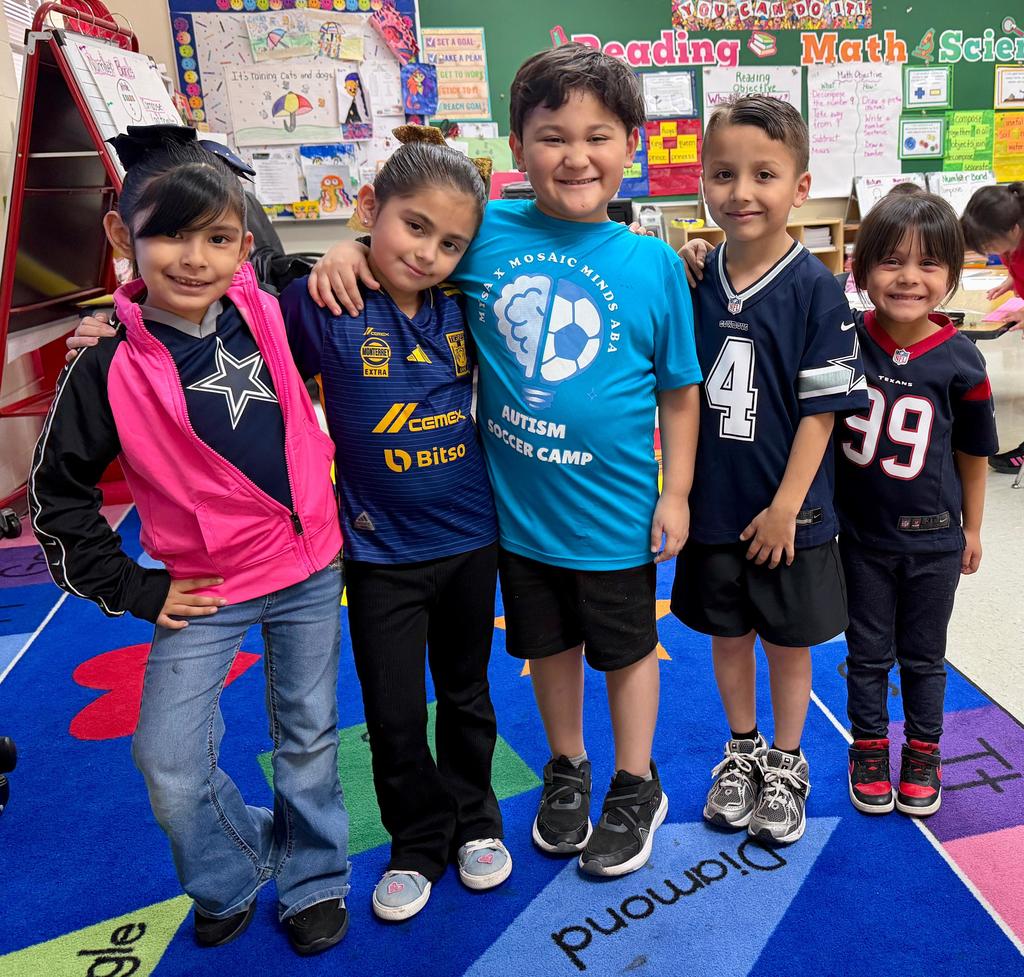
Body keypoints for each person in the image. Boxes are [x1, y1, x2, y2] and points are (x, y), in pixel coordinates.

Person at [68, 129, 511, 923]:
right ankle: (415, 839)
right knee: (392, 711)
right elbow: (259, 309)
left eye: (450, 242)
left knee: (463, 695)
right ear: (372, 208)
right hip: (370, 553)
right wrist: (339, 253)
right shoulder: (314, 306)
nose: (429, 252)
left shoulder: (462, 297)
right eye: (414, 228)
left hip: (457, 542)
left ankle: (468, 823)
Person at [306, 44, 703, 878]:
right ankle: (568, 767)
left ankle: (637, 782)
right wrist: (342, 247)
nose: (576, 156)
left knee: (626, 653)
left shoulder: (655, 264)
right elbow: (405, 243)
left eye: (599, 135)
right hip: (515, 515)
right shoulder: (488, 237)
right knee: (546, 650)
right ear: (518, 147)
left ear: (630, 143)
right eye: (552, 135)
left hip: (618, 514)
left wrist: (678, 494)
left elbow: (678, 391)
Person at [32, 126, 351, 955]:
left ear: (243, 242)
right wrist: (136, 587)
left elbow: (332, 283)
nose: (193, 258)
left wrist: (340, 259)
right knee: (167, 761)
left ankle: (316, 874)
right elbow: (57, 500)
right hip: (206, 586)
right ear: (120, 238)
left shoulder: (271, 308)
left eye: (215, 236)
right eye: (167, 234)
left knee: (309, 735)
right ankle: (233, 864)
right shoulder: (104, 366)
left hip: (313, 567)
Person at [674, 95, 867, 845]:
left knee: (788, 641)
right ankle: (744, 748)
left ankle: (788, 761)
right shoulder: (694, 275)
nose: (741, 191)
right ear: (703, 182)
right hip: (716, 506)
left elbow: (822, 412)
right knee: (728, 635)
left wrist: (789, 505)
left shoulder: (818, 290)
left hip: (792, 513)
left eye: (764, 174)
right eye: (723, 173)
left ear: (800, 183)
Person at [837, 187, 997, 816]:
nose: (908, 278)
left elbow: (973, 456)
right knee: (867, 650)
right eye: (891, 261)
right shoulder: (843, 339)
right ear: (861, 267)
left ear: (952, 275)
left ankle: (923, 752)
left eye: (929, 264)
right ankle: (870, 748)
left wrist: (974, 529)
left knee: (925, 656)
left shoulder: (963, 361)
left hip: (933, 539)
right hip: (861, 537)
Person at [960, 182, 1024, 473]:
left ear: (1013, 230)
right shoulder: (1013, 240)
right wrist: (1012, 281)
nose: (987, 252)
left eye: (989, 245)